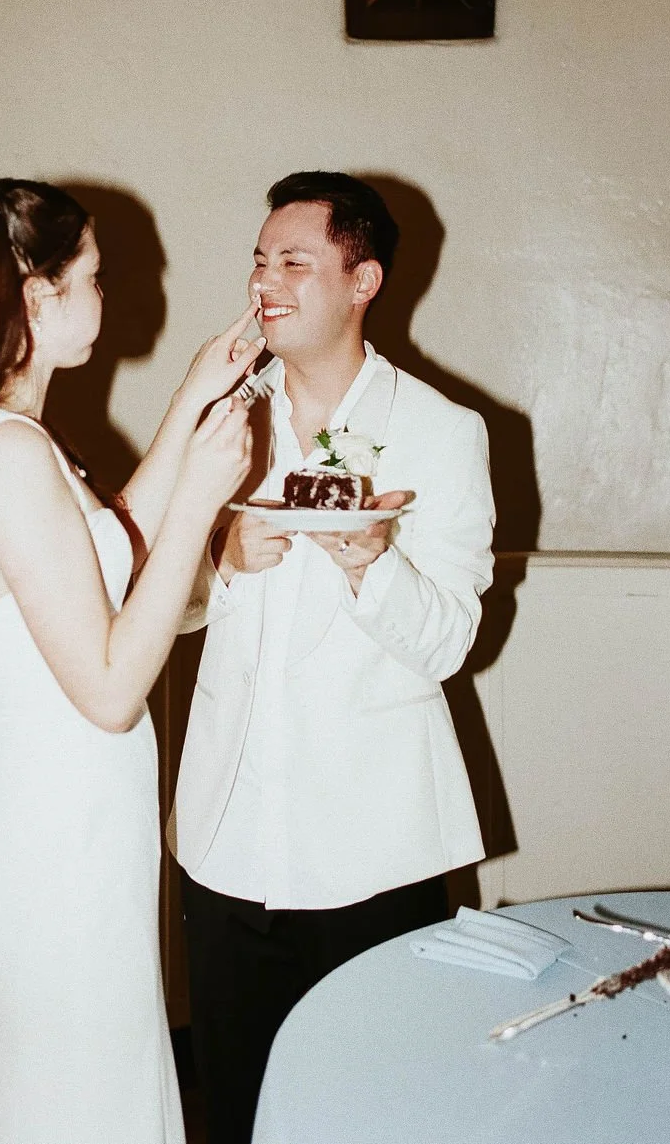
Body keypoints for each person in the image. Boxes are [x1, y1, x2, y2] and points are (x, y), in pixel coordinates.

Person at [0, 178, 263, 1144]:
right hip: (56, 845)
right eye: (92, 275)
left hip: (63, 826)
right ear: (36, 295)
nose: (107, 291)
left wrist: (191, 398)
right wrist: (201, 501)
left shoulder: (3, 439)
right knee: (80, 1106)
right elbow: (107, 688)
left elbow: (110, 547)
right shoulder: (9, 453)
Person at [168, 171, 495, 1144]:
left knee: (376, 1112)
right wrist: (222, 563)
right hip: (225, 840)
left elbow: (450, 642)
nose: (264, 281)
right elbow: (166, 606)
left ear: (363, 281)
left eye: (293, 261)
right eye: (259, 260)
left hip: (371, 851)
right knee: (235, 1108)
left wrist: (372, 566)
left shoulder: (441, 432)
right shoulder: (223, 420)